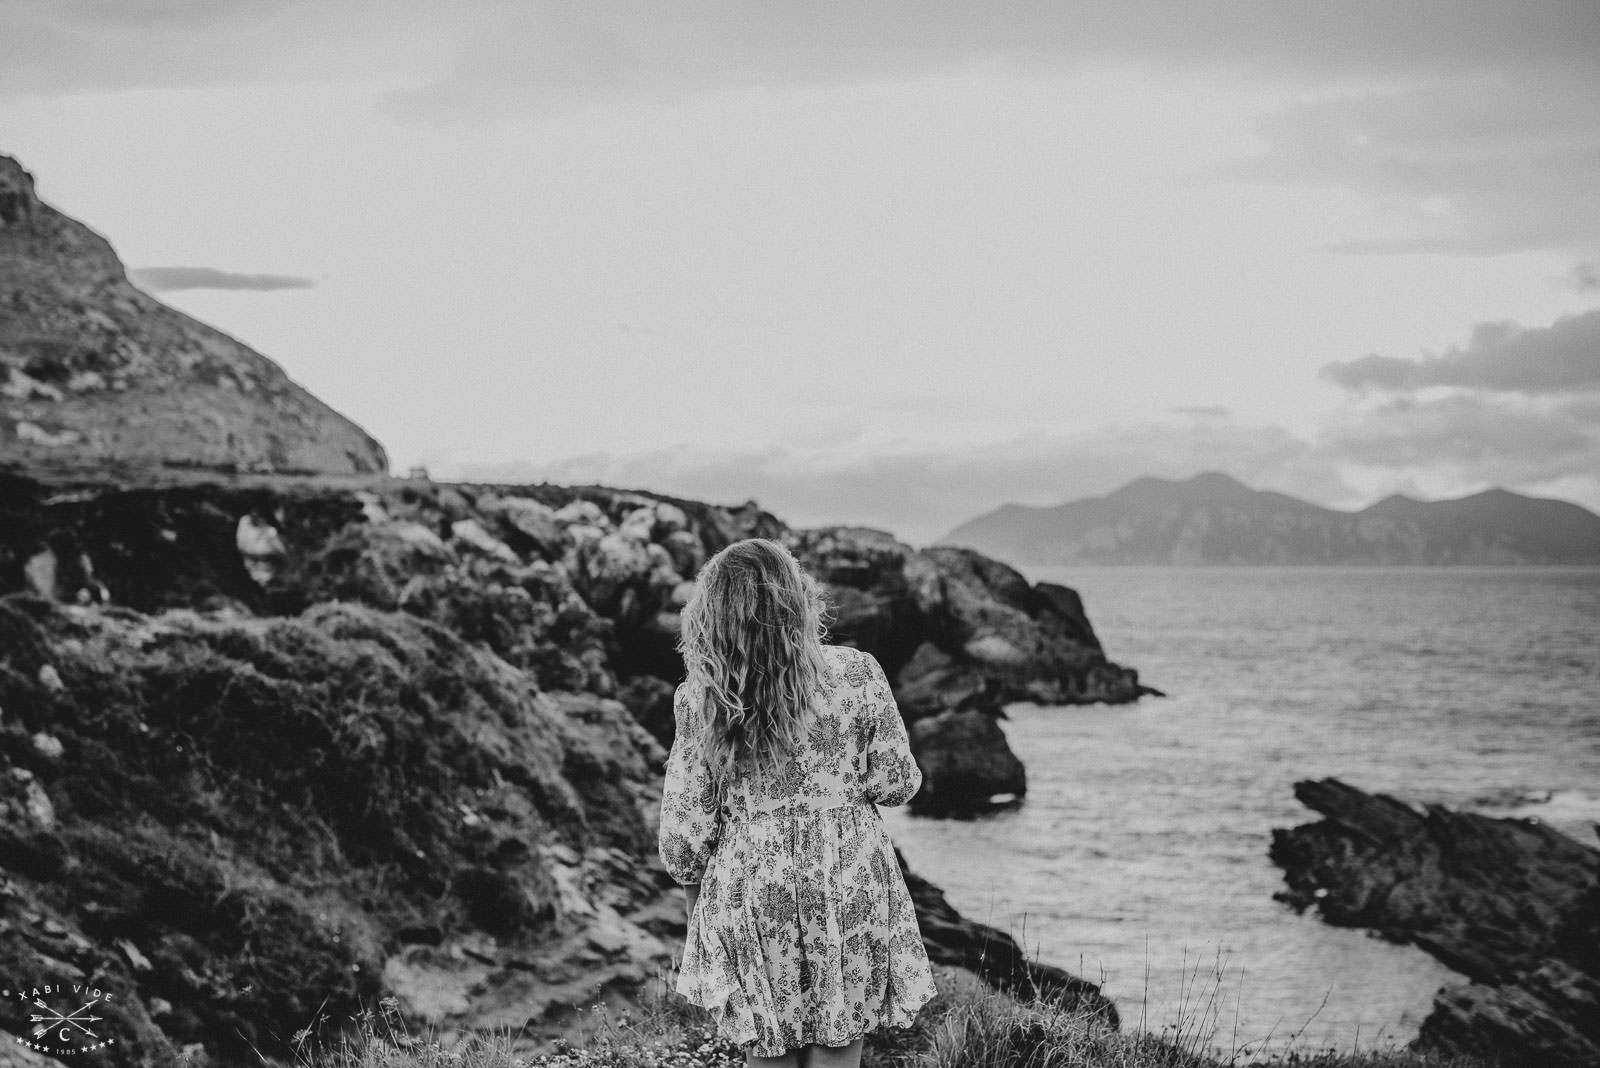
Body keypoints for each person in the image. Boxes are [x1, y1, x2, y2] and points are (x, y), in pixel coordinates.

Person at [658, 537, 938, 1068]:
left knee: (770, 1052)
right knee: (837, 1050)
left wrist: (699, 917)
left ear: (711, 612)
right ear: (798, 598)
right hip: (846, 874)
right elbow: (897, 784)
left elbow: (685, 837)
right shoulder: (857, 672)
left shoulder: (702, 697)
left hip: (753, 882)